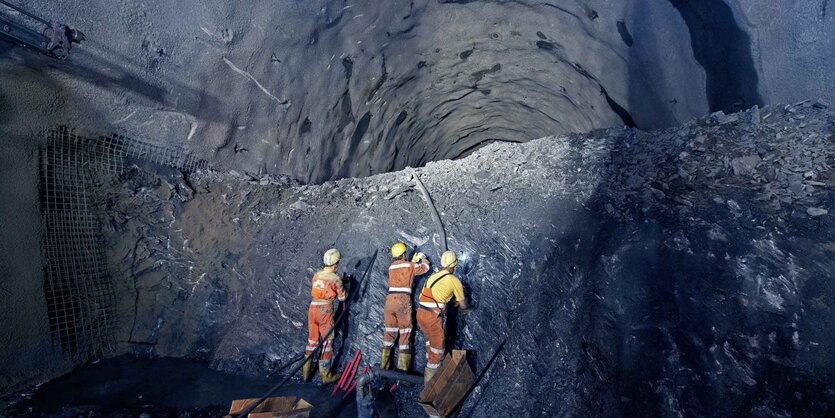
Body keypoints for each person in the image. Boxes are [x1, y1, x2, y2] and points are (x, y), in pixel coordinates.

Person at [416, 250, 467, 383]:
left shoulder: (433, 277)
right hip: (432, 317)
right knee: (438, 349)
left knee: (430, 344)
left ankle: (431, 366)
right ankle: (432, 386)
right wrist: (466, 306)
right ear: (453, 265)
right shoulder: (454, 280)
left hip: (420, 313)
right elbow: (463, 305)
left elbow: (432, 295)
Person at [381, 242, 430, 372]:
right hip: (402, 300)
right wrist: (423, 257)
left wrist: (412, 263)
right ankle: (402, 373)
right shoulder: (409, 266)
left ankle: (383, 369)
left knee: (389, 333)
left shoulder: (391, 267)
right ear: (404, 254)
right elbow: (425, 268)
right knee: (405, 333)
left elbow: (403, 271)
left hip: (389, 300)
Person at [302, 248, 346, 384]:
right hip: (324, 310)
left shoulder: (316, 275)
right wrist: (345, 285)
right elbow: (342, 298)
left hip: (313, 308)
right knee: (327, 341)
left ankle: (305, 373)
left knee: (312, 340)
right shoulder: (336, 279)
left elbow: (323, 286)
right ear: (336, 264)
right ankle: (326, 376)